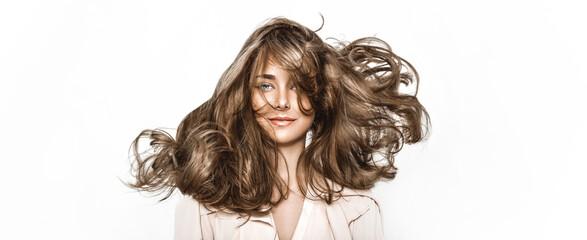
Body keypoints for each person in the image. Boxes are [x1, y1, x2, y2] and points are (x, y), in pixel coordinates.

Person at [128, 17, 429, 240]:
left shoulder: (359, 208)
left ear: (321, 95)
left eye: (298, 85)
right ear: (246, 93)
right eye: (266, 85)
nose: (282, 102)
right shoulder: (203, 206)